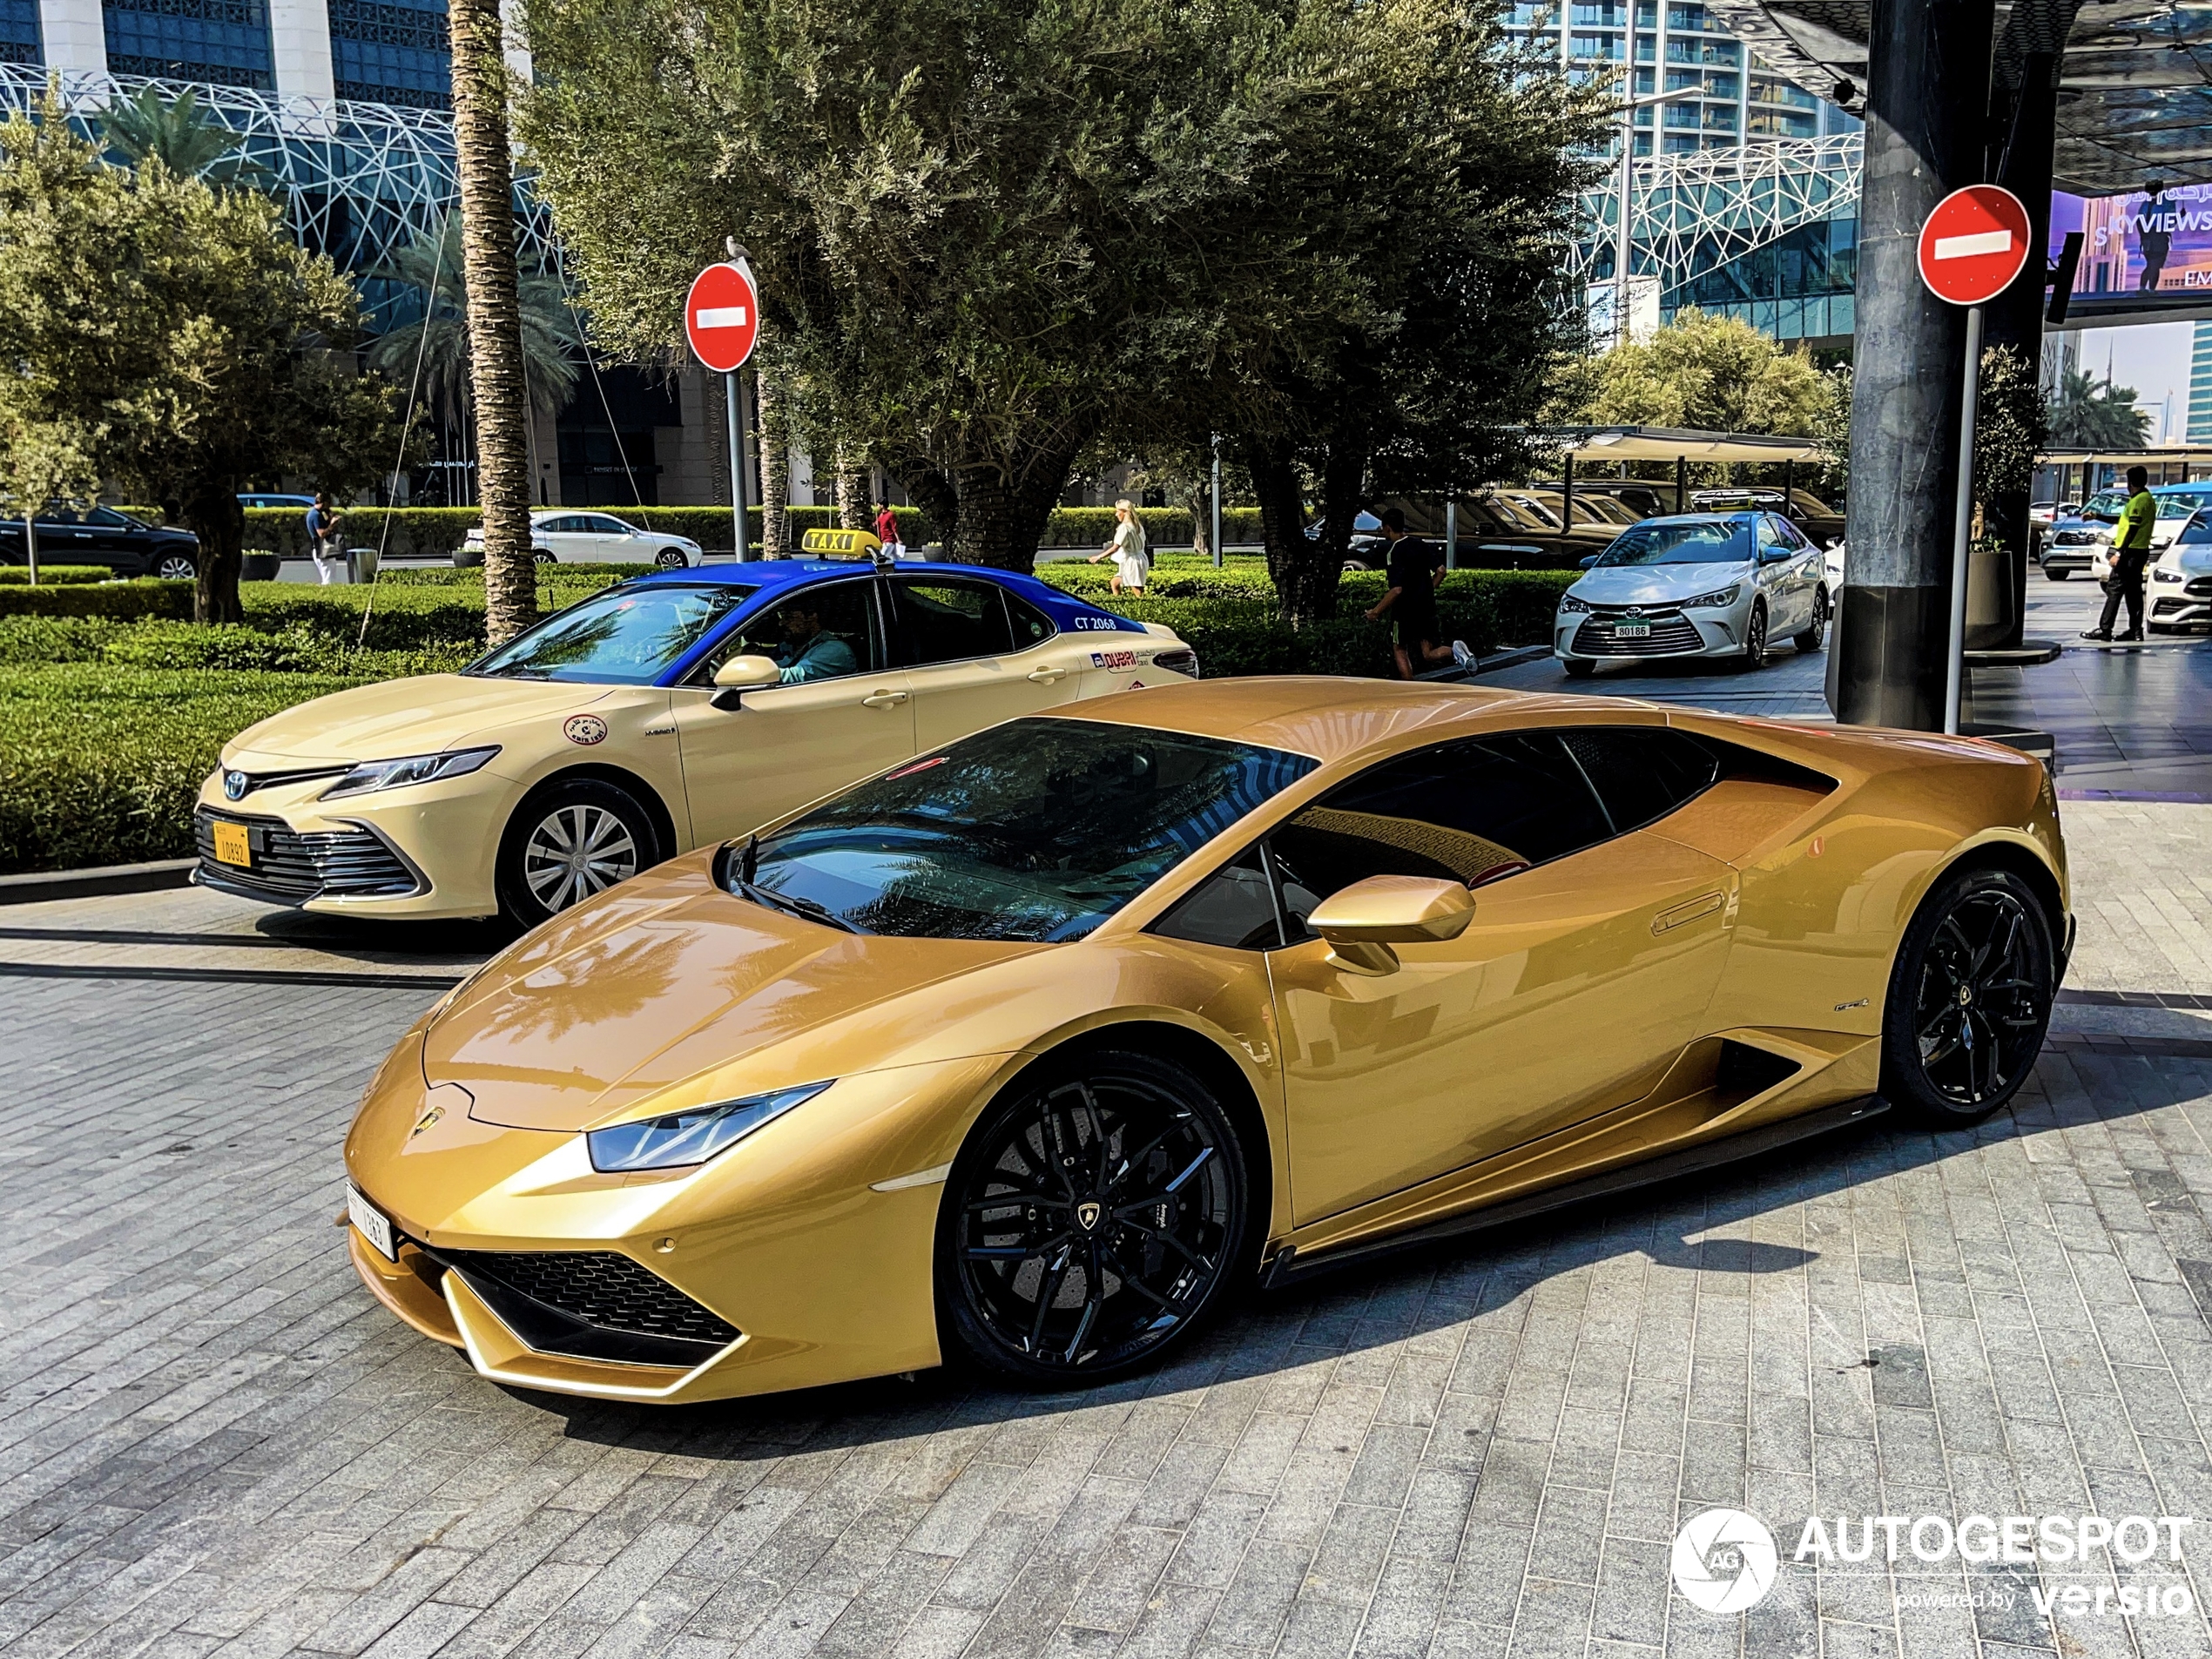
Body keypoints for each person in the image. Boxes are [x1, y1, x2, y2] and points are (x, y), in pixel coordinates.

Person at [1363, 508, 1473, 678]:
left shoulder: (1394, 552)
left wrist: (1375, 612)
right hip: (1426, 607)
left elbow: (1396, 589)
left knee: (1399, 648)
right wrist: (1428, 590)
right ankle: (1455, 652)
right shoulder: (1420, 544)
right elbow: (1441, 571)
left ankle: (1410, 688)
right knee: (1428, 653)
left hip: (1405, 610)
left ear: (1387, 528)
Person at [2083, 465, 2155, 642]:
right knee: (2133, 592)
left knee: (2114, 588)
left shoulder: (2139, 501)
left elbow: (2132, 528)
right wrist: (2097, 516)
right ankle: (2136, 631)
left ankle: (2105, 629)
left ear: (2131, 483)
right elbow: (2123, 520)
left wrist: (2120, 553)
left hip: (2130, 553)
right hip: (2139, 552)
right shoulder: (2146, 499)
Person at [771, 602, 857, 684]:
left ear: (812, 617)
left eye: (789, 617)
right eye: (781, 617)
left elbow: (794, 676)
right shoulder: (790, 646)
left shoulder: (836, 650)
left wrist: (759, 672)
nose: (781, 623)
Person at [1088, 498, 1150, 595]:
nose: (1116, 515)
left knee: (1137, 590)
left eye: (1117, 511)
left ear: (1124, 512)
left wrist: (1099, 557)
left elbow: (1115, 547)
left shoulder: (1124, 528)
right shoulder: (1137, 526)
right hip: (1138, 558)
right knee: (1115, 583)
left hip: (1132, 561)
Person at [2138, 184, 2173, 293]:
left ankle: (2144, 288)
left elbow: (2139, 222)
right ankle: (2150, 290)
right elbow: (2170, 222)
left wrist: (2143, 238)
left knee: (2152, 265)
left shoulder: (2146, 205)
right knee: (2154, 265)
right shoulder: (2164, 206)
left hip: (2149, 239)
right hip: (2158, 239)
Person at [305, 492, 342, 585]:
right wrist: (332, 525)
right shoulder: (316, 515)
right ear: (325, 502)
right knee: (329, 580)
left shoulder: (316, 513)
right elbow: (321, 533)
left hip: (320, 548)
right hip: (323, 548)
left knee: (327, 576)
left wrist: (329, 518)